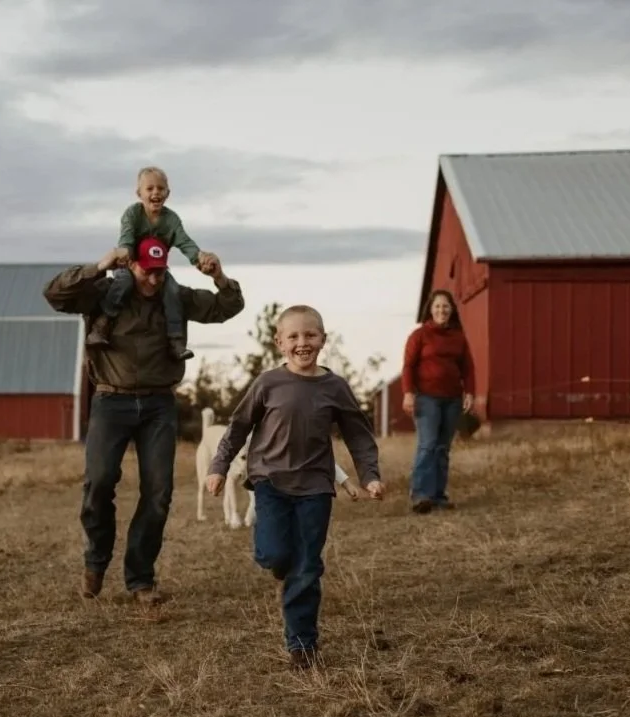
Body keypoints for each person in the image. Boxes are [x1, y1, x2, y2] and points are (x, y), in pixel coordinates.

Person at [43, 237, 245, 604]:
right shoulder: (105, 292)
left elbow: (227, 306)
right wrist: (99, 265)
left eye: (159, 271)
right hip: (110, 400)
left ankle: (140, 579)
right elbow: (54, 295)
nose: (153, 280)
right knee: (99, 484)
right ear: (130, 265)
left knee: (158, 493)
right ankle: (95, 561)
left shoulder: (174, 296)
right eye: (146, 271)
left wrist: (219, 276)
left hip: (158, 405)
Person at [206, 305, 384, 670]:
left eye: (310, 335)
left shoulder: (335, 387)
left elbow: (358, 435)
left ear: (323, 339)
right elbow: (238, 427)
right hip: (270, 481)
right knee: (275, 556)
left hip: (316, 486)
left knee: (306, 566)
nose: (303, 343)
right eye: (294, 336)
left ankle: (302, 644)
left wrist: (369, 474)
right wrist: (219, 466)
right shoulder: (268, 383)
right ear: (279, 343)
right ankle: (275, 562)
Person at [85, 166, 218, 362]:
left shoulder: (171, 219)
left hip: (156, 266)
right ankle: (103, 323)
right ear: (139, 193)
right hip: (132, 265)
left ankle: (175, 340)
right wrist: (125, 254)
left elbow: (184, 241)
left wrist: (199, 258)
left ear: (167, 193)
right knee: (123, 283)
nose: (155, 192)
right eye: (150, 189)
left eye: (160, 188)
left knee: (171, 290)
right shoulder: (132, 214)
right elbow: (127, 237)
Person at [401, 290, 475, 513]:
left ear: (451, 310)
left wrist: (469, 393)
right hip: (427, 398)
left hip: (452, 399)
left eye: (445, 306)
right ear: (430, 310)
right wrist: (408, 393)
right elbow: (408, 366)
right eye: (437, 307)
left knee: (443, 448)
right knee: (428, 445)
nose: (441, 310)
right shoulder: (419, 336)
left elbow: (468, 368)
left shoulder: (458, 337)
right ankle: (420, 495)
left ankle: (438, 496)